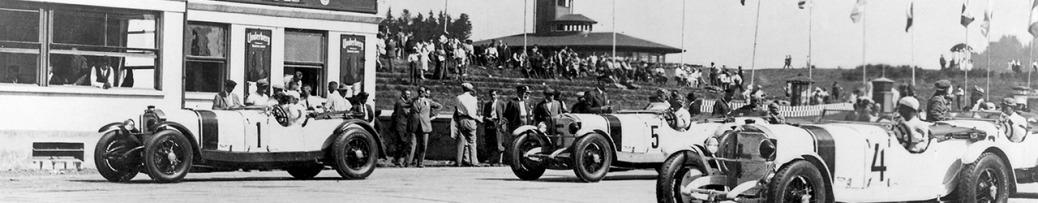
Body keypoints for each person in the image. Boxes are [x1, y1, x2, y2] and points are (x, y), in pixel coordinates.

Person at [409, 87, 441, 168]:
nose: (421, 93)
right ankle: (408, 162)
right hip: (415, 125)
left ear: (424, 92)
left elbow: (439, 106)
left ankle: (420, 162)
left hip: (425, 125)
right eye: (419, 91)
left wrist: (433, 115)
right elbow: (403, 105)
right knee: (412, 144)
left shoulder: (428, 101)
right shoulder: (413, 100)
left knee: (423, 145)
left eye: (422, 91)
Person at [453, 83, 482, 166]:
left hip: (461, 119)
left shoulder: (458, 98)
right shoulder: (474, 99)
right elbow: (476, 110)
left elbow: (456, 108)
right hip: (471, 120)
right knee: (472, 141)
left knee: (460, 141)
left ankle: (458, 161)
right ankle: (474, 162)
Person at [481, 90, 507, 165]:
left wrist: (502, 121)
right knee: (490, 142)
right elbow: (484, 116)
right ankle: (491, 160)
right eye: (491, 95)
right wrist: (488, 119)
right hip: (490, 124)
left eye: (494, 95)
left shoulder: (501, 103)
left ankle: (500, 160)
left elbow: (505, 115)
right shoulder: (487, 104)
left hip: (498, 124)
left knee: (500, 142)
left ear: (497, 95)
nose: (493, 96)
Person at [391, 89, 414, 166]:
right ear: (403, 95)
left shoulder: (402, 102)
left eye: (409, 94)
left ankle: (397, 160)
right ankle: (398, 160)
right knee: (403, 143)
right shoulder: (401, 103)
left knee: (400, 143)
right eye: (407, 94)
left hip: (402, 125)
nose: (408, 96)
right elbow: (406, 113)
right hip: (401, 126)